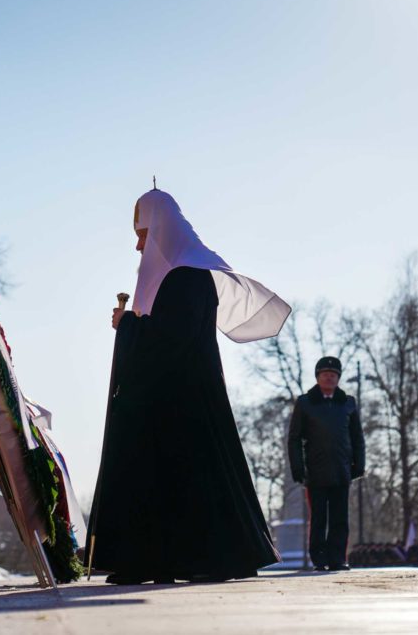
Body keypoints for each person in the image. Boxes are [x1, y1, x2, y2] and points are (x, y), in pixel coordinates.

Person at [88, 188, 290, 585]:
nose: (138, 245)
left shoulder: (185, 277)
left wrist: (127, 326)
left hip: (181, 403)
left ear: (159, 231)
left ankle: (181, 559)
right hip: (180, 399)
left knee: (182, 479)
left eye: (142, 234)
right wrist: (133, 325)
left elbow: (169, 340)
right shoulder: (182, 274)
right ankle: (172, 559)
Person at [288, 356, 366, 571]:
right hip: (315, 471)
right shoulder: (305, 403)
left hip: (342, 470)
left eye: (333, 375)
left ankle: (338, 558)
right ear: (318, 377)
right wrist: (298, 468)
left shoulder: (348, 403)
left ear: (338, 378)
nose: (329, 378)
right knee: (319, 517)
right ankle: (319, 559)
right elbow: (294, 438)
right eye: (325, 374)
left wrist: (358, 464)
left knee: (340, 518)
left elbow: (357, 437)